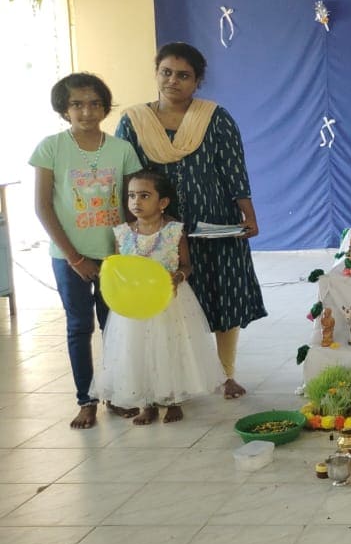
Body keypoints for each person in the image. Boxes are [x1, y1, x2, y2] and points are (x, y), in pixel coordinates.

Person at [116, 42, 267, 400]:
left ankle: (226, 374)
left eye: (183, 75)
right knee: (169, 306)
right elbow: (126, 178)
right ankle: (172, 379)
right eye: (166, 72)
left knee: (225, 295)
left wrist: (248, 213)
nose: (173, 81)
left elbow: (233, 170)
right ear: (156, 73)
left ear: (197, 81)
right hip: (158, 232)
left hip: (215, 225)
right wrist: (130, 230)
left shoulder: (214, 117)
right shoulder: (134, 121)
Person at [31, 73, 143, 429]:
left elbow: (131, 206)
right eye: (77, 104)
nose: (86, 111)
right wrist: (75, 258)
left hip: (114, 257)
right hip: (69, 258)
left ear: (105, 108)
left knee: (115, 328)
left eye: (95, 104)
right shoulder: (51, 147)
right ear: (64, 109)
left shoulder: (122, 150)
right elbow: (43, 207)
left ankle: (116, 394)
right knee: (79, 327)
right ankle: (86, 400)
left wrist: (129, 252)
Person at [93, 171, 222, 424]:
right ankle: (147, 403)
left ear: (162, 202)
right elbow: (119, 268)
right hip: (135, 306)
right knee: (137, 351)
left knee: (169, 348)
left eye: (144, 196)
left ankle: (172, 399)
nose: (136, 202)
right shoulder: (122, 233)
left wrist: (178, 277)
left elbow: (187, 265)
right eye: (131, 196)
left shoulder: (174, 231)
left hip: (169, 303)